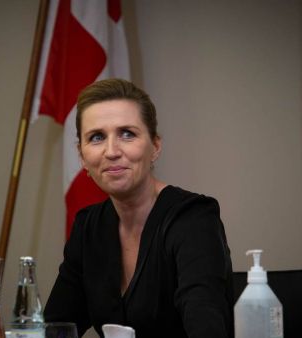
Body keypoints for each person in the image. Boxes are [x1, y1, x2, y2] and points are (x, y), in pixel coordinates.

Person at [44, 78, 234, 338]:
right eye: (97, 137)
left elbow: (206, 329)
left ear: (155, 147)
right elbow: (56, 328)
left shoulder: (193, 219)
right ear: (82, 157)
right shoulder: (88, 227)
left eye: (127, 134)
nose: (111, 151)